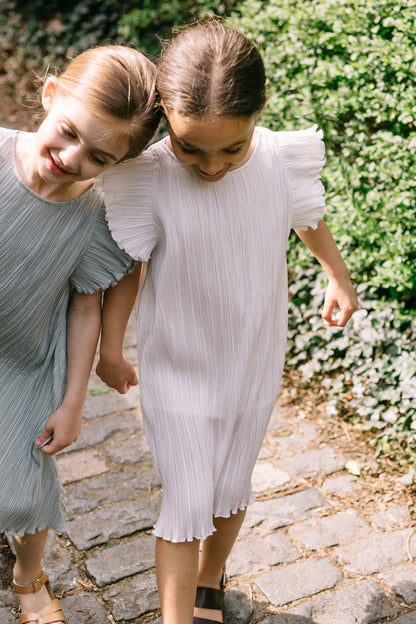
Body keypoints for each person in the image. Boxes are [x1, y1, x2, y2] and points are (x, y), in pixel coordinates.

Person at [96, 20, 358, 624]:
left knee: (231, 481)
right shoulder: (150, 176)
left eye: (230, 149)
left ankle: (209, 583)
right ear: (165, 114)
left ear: (260, 112)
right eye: (191, 148)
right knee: (187, 497)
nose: (210, 167)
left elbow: (308, 219)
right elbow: (129, 270)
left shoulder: (279, 161)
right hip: (179, 363)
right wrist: (112, 347)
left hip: (253, 352)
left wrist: (337, 276)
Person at [0, 44, 160, 624]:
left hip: (23, 362)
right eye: (66, 133)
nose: (70, 157)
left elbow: (84, 309)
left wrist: (73, 404)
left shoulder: (94, 221)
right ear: (49, 97)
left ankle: (27, 575)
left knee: (23, 491)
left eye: (98, 157)